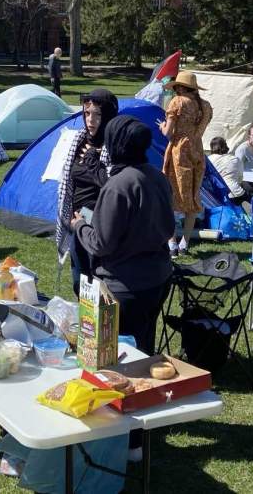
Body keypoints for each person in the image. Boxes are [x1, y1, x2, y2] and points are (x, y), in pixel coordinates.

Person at [71, 115, 173, 353]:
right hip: (157, 278)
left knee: (116, 358)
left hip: (125, 287)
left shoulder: (118, 185)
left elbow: (101, 244)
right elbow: (167, 227)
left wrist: (79, 225)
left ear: (116, 144)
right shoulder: (157, 176)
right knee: (144, 348)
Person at [55, 89, 119, 296]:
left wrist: (94, 165)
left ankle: (101, 323)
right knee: (79, 278)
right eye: (87, 113)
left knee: (98, 279)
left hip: (99, 225)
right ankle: (86, 320)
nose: (90, 120)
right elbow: (68, 179)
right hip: (76, 221)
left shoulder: (115, 146)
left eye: (97, 114)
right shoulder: (79, 141)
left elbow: (113, 186)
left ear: (108, 115)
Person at [159, 70, 213, 256]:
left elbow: (168, 133)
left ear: (181, 87)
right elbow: (198, 132)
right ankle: (185, 243)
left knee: (172, 194)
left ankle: (172, 242)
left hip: (178, 151)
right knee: (192, 194)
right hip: (197, 150)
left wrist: (162, 126)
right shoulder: (204, 106)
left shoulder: (177, 102)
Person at [208, 137, 247, 206]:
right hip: (236, 194)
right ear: (225, 146)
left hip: (218, 195)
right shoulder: (235, 159)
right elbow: (240, 178)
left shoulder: (209, 160)